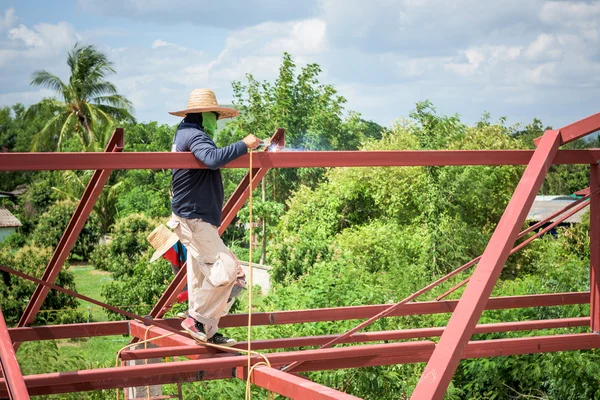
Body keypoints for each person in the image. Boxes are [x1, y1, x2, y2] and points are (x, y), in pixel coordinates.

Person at [167, 88, 260, 346]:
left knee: (201, 279)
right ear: (204, 114)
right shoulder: (194, 135)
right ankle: (196, 320)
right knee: (230, 272)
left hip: (194, 217)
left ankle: (206, 329)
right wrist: (244, 144)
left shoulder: (185, 133)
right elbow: (212, 159)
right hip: (193, 219)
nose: (216, 122)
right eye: (214, 116)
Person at [147, 224, 246, 304]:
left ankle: (214, 307)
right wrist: (170, 299)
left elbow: (201, 286)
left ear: (172, 247)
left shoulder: (192, 248)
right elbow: (183, 289)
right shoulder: (176, 263)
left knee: (198, 291)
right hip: (214, 287)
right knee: (187, 288)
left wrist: (180, 297)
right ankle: (202, 311)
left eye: (164, 254)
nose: (164, 258)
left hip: (233, 283)